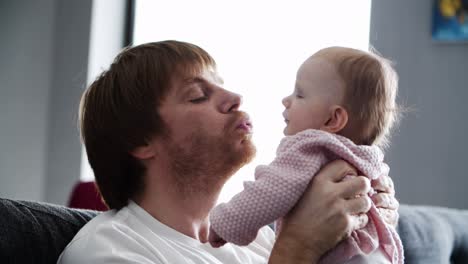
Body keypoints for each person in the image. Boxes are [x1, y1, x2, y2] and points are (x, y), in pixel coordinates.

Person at [57, 41, 399, 264]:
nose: (234, 96)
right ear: (140, 141)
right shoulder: (109, 253)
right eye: (197, 95)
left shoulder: (260, 239)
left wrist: (375, 220)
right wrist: (298, 249)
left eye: (220, 83)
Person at [209, 47, 404, 264]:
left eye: (300, 94)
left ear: (332, 120)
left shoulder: (310, 147)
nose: (286, 100)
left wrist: (224, 223)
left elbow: (268, 191)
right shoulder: (368, 160)